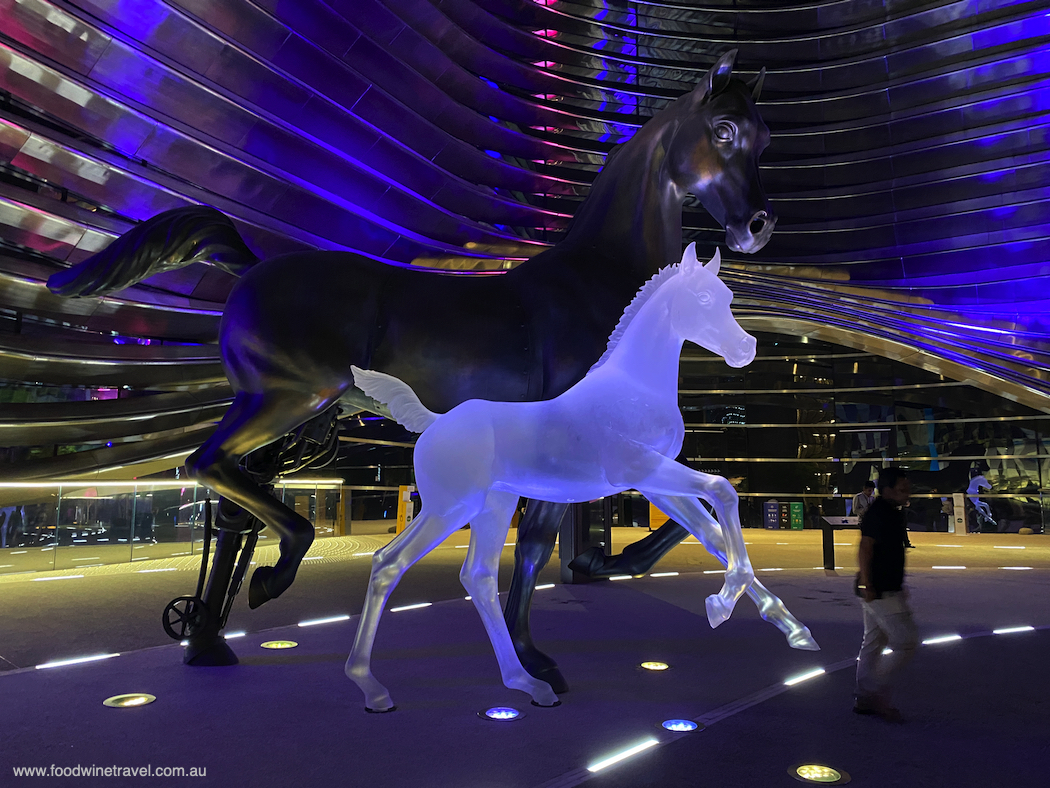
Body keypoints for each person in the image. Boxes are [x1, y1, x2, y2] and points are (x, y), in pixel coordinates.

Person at [854, 467, 918, 722]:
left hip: (881, 587)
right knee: (906, 640)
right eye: (902, 488)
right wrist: (868, 584)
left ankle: (863, 696)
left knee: (872, 641)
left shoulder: (890, 512)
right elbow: (865, 547)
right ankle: (873, 691)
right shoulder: (880, 513)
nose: (907, 493)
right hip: (879, 590)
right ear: (888, 489)